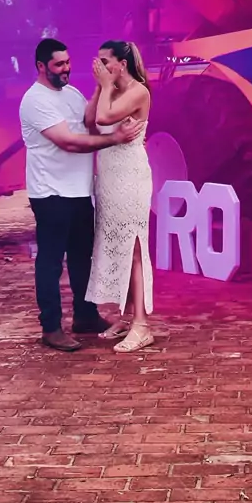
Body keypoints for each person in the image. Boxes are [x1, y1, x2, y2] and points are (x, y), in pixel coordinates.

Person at [19, 38, 144, 353]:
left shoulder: (72, 93)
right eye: (59, 64)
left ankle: (85, 316)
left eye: (68, 62)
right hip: (51, 193)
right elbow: (69, 141)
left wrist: (101, 88)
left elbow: (90, 123)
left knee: (81, 258)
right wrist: (115, 139)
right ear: (41, 66)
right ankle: (51, 327)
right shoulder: (35, 100)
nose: (66, 68)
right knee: (51, 262)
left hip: (78, 192)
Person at [85, 40, 154, 353]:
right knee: (116, 245)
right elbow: (90, 120)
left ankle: (142, 325)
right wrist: (101, 87)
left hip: (130, 176)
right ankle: (126, 318)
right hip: (109, 177)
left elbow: (104, 119)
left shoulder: (138, 91)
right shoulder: (109, 90)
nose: (99, 66)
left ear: (122, 64)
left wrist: (105, 86)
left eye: (105, 61)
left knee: (134, 246)